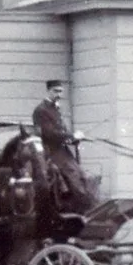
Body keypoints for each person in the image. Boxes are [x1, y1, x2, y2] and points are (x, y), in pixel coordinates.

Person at [30, 79, 93, 218]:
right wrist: (71, 136)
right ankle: (82, 212)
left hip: (62, 151)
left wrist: (74, 138)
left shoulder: (55, 109)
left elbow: (61, 133)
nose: (59, 94)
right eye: (56, 91)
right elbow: (48, 134)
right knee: (74, 177)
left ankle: (83, 209)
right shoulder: (41, 110)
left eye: (60, 92)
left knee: (83, 176)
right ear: (48, 91)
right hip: (51, 152)